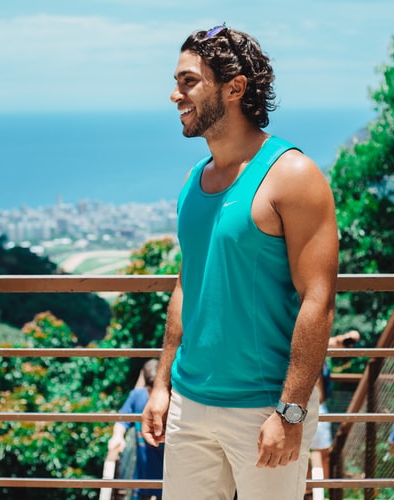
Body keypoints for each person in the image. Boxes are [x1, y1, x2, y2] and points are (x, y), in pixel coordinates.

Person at [142, 24, 339, 500]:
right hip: (190, 404)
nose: (175, 94)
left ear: (234, 88)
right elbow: (187, 285)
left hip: (264, 409)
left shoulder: (292, 174)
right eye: (176, 81)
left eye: (189, 81)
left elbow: (319, 299)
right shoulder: (194, 180)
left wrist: (290, 411)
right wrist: (162, 385)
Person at [306, 330, 361, 500]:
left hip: (306, 409)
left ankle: (312, 493)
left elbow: (343, 339)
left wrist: (345, 339)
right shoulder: (311, 344)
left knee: (311, 456)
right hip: (313, 408)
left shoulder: (313, 341)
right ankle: (316, 493)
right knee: (319, 455)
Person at [108, 359, 164, 500]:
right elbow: (122, 421)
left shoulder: (172, 400)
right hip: (143, 478)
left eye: (156, 390)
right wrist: (117, 436)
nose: (153, 396)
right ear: (146, 387)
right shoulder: (137, 396)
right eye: (150, 391)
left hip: (168, 478)